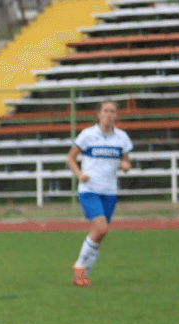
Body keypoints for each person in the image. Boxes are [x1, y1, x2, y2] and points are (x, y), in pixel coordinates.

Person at [65, 100, 133, 287]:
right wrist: (79, 174)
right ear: (99, 114)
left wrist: (125, 166)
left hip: (110, 192)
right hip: (90, 190)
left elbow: (126, 162)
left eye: (113, 111)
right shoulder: (87, 135)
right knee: (101, 228)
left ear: (116, 115)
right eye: (106, 111)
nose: (109, 114)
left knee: (99, 233)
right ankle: (79, 268)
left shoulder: (122, 138)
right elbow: (71, 158)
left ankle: (83, 272)